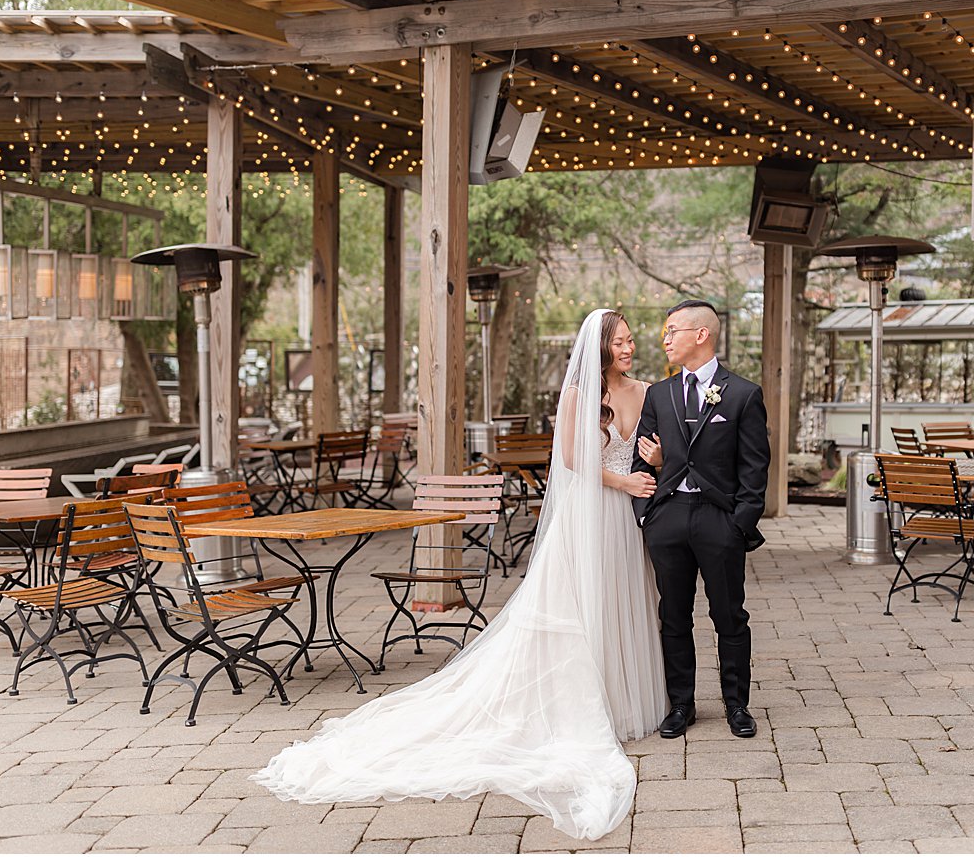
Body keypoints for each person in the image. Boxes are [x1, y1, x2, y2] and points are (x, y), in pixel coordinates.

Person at [253, 310, 666, 841]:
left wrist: (653, 461)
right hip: (591, 515)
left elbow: (660, 449)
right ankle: (579, 706)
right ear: (600, 348)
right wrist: (623, 482)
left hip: (628, 520)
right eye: (623, 342)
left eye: (633, 341)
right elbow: (569, 460)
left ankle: (623, 699)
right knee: (580, 607)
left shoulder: (647, 391)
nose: (631, 349)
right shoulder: (577, 397)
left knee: (621, 601)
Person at [632, 299, 770, 740]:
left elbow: (754, 468)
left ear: (701, 335)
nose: (665, 339)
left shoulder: (743, 394)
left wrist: (739, 524)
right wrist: (646, 516)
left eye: (673, 330)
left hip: (719, 521)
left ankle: (737, 706)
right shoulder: (660, 394)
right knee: (673, 615)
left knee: (729, 616)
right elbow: (642, 459)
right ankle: (682, 705)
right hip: (668, 518)